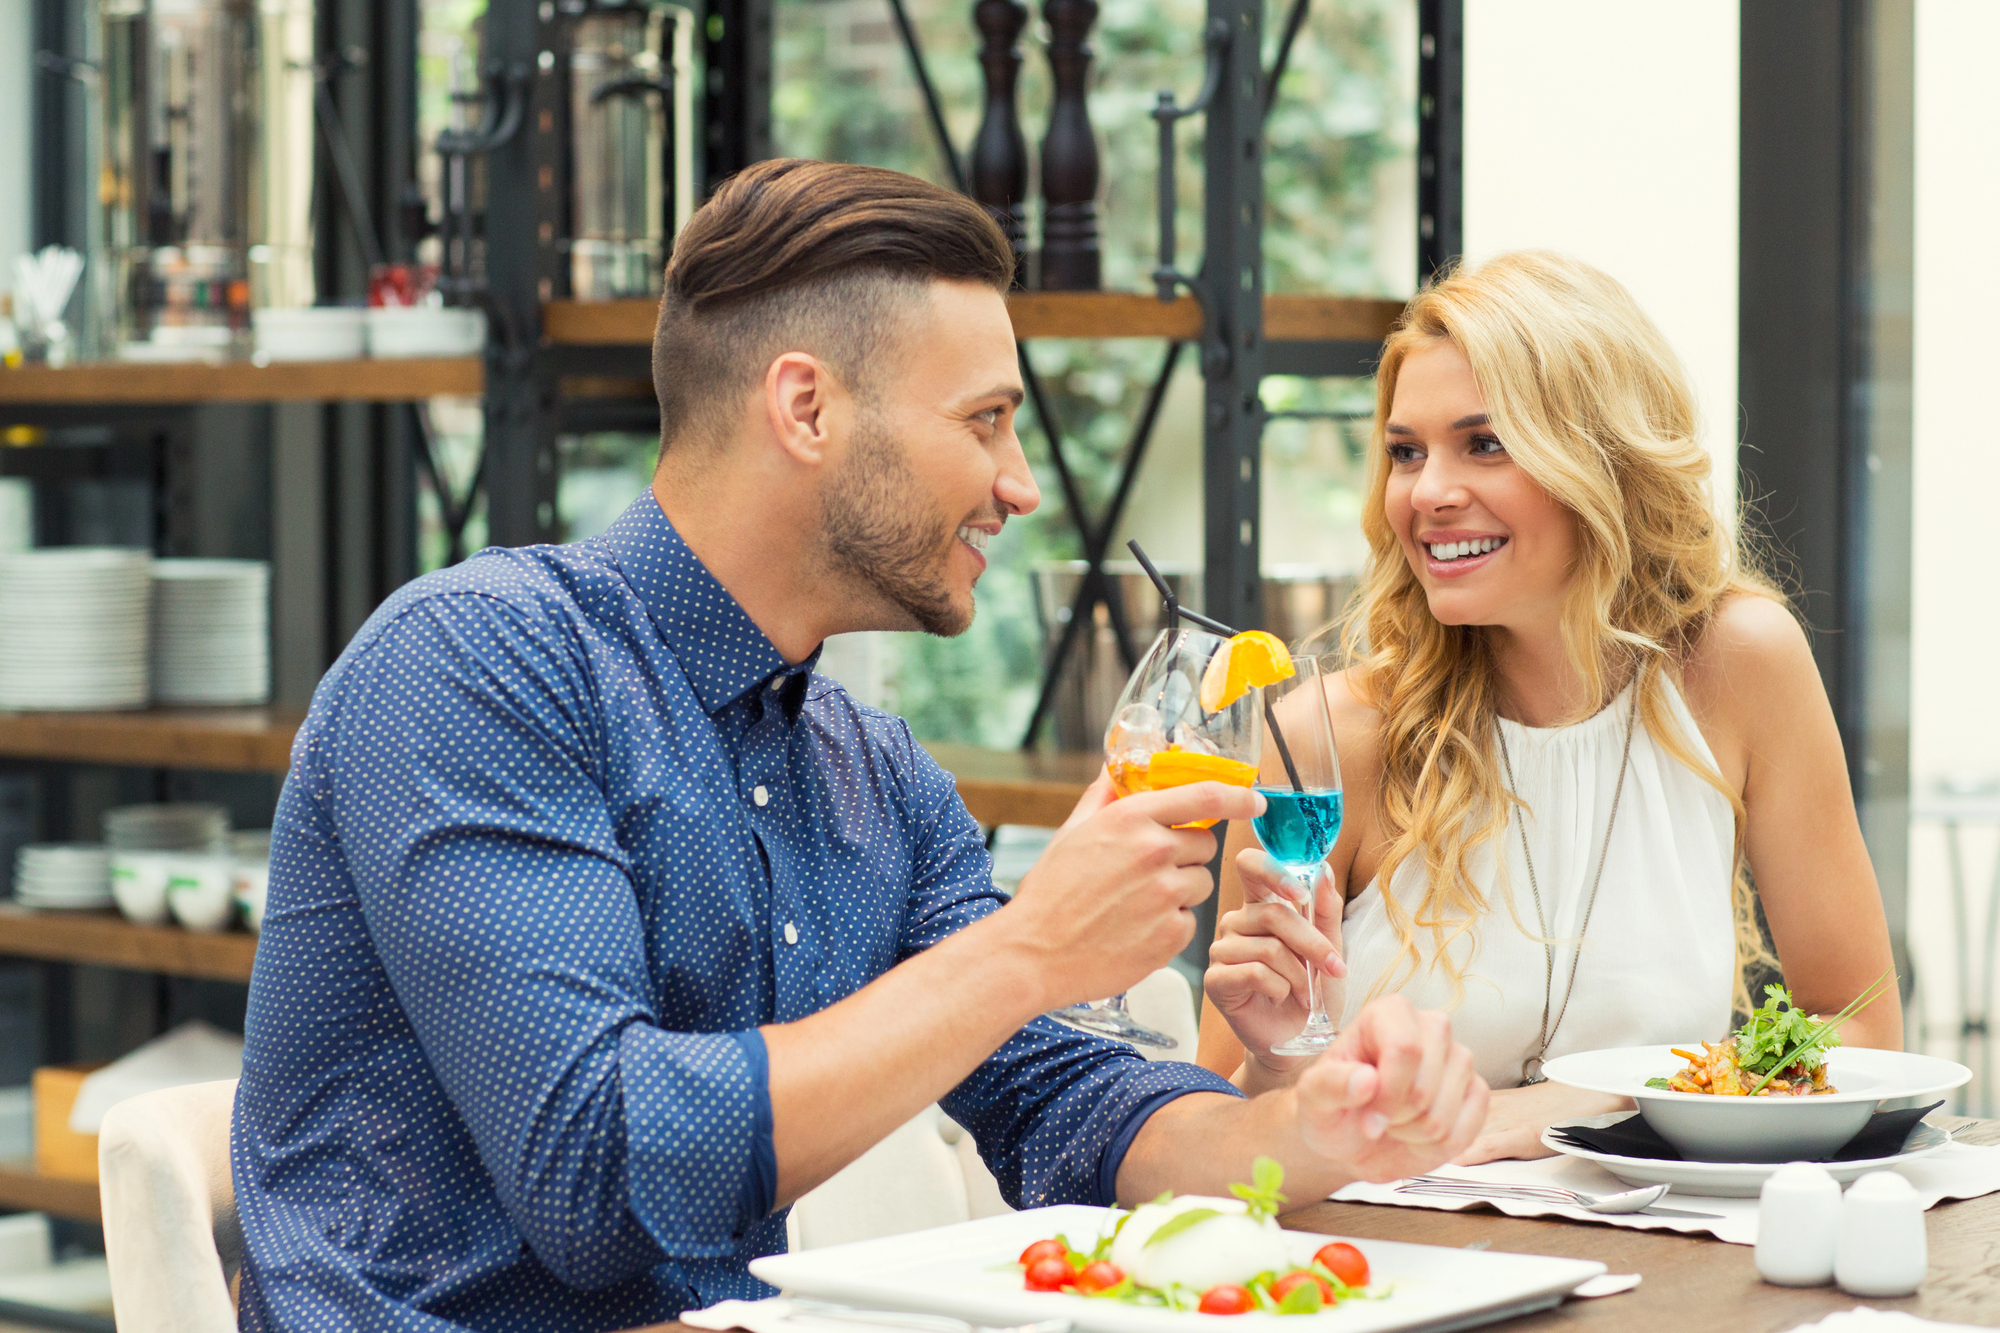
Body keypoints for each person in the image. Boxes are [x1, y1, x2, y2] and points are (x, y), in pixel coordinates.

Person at [231, 159, 1489, 1329]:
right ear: (806, 406)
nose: (1020, 484)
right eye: (985, 420)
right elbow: (596, 1175)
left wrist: (1313, 1133)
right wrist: (1024, 951)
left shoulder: (874, 771)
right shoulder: (481, 660)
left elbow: (1070, 1101)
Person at [1196, 251, 1901, 1164]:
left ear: (1602, 459)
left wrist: (1584, 1097)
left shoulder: (1738, 665)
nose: (1428, 492)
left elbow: (1861, 1029)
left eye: (1483, 443)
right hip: (1386, 1260)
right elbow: (1211, 1129)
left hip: (1651, 1261)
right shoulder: (1330, 741)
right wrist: (1276, 1058)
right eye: (1406, 452)